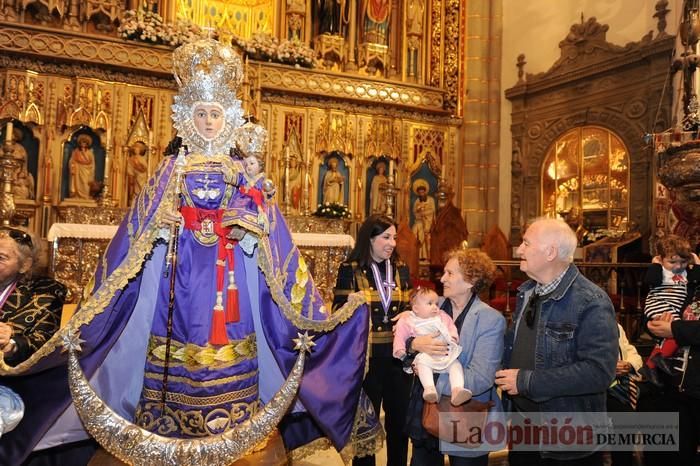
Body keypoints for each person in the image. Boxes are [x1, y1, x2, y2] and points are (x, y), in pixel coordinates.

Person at [0, 38, 381, 465]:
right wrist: (161, 227)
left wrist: (249, 228)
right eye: (200, 113)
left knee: (233, 340)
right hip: (178, 278)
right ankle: (170, 418)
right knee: (175, 342)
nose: (209, 121)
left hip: (231, 277)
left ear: (229, 118)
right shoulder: (171, 169)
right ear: (187, 116)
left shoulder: (241, 171)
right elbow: (140, 226)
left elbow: (268, 228)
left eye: (215, 113)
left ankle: (234, 420)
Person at [495, 217, 618, 466]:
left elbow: (598, 372)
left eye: (526, 243)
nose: (519, 250)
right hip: (524, 428)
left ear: (550, 252)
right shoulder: (528, 292)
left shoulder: (591, 300)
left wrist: (526, 381)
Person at [403, 248, 504, 466]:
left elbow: (481, 378)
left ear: (470, 280)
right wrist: (413, 345)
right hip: (425, 413)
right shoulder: (429, 306)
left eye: (450, 274)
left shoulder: (490, 319)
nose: (442, 278)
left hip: (465, 414)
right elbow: (404, 343)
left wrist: (432, 382)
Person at [333, 214, 412, 466]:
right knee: (365, 426)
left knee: (399, 423)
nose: (392, 243)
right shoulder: (350, 269)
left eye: (394, 238)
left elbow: (409, 309)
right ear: (370, 238)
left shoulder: (400, 269)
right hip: (366, 359)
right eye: (386, 237)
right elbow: (339, 312)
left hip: (398, 358)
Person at [393, 287, 471, 405]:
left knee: (455, 365)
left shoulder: (442, 315)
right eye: (430, 304)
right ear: (416, 309)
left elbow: (451, 326)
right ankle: (429, 388)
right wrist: (399, 350)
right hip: (426, 356)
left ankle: (457, 389)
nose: (435, 307)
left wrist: (454, 337)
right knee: (422, 364)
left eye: (436, 303)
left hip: (445, 354)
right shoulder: (408, 320)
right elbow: (400, 334)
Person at [640, 235, 700, 386]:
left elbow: (695, 278)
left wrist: (675, 329)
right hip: (660, 304)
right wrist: (655, 264)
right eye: (672, 262)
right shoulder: (663, 271)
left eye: (683, 262)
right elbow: (650, 281)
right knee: (669, 329)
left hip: (690, 371)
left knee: (672, 330)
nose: (678, 266)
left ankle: (654, 363)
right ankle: (655, 363)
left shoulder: (688, 274)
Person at [645, 305, 700, 466]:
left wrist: (675, 329)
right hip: (675, 388)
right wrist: (655, 323)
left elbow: (675, 329)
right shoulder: (690, 287)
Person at [606, 324, 643, 466]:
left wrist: (628, 364)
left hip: (617, 386)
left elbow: (632, 353)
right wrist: (607, 367)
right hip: (592, 388)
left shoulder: (615, 326)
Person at [411, 179, 436, 260]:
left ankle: (427, 256)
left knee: (423, 231)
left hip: (429, 221)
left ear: (426, 192)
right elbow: (415, 212)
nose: (421, 194)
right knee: (415, 229)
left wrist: (424, 213)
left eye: (423, 192)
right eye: (420, 193)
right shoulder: (417, 201)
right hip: (419, 221)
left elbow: (432, 210)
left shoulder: (431, 200)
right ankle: (418, 254)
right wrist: (419, 213)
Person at [68, 133, 96, 200]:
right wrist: (73, 166)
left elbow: (92, 163)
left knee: (85, 184)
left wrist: (90, 171)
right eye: (82, 142)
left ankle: (85, 196)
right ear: (80, 143)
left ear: (87, 144)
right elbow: (71, 160)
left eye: (85, 142)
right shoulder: (76, 151)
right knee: (77, 183)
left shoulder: (89, 152)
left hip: (86, 171)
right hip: (77, 169)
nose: (83, 144)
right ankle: (76, 196)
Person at [126, 141, 149, 205]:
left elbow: (144, 169)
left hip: (142, 178)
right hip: (135, 178)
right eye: (135, 147)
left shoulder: (141, 158)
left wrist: (136, 164)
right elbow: (130, 169)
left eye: (138, 147)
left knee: (141, 190)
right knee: (134, 190)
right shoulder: (132, 158)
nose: (136, 149)